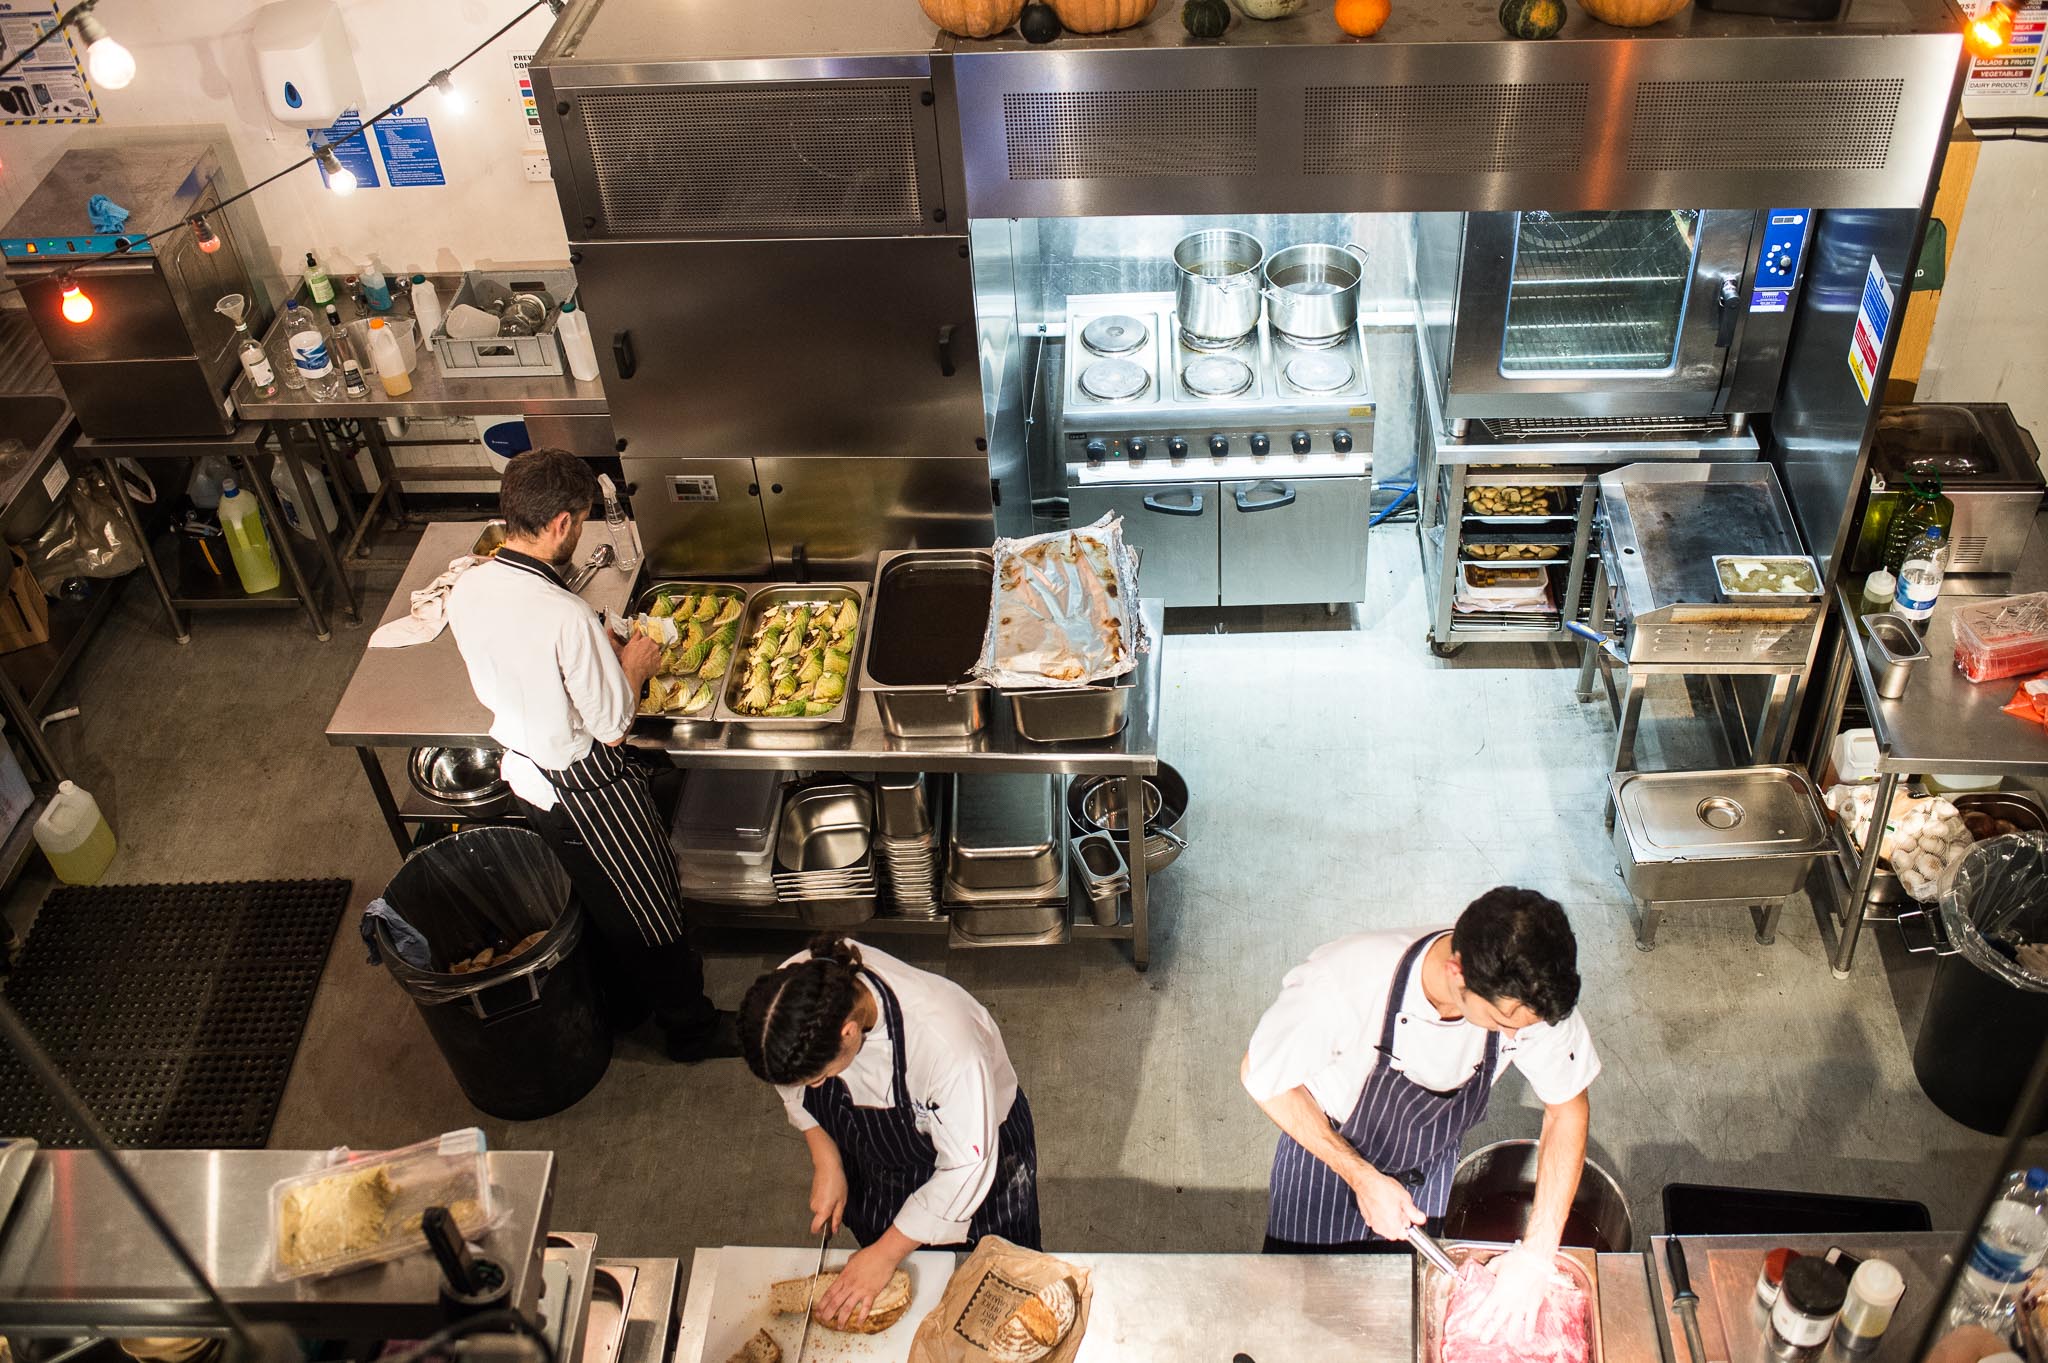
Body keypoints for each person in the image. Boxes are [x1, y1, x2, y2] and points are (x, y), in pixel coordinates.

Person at [446, 447, 736, 1062]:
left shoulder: (469, 586)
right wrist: (631, 665)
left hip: (523, 772)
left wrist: (596, 659)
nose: (579, 533)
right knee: (649, 909)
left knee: (593, 899)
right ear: (561, 526)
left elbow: (527, 665)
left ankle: (626, 1006)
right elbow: (612, 725)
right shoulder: (565, 614)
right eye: (579, 522)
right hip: (588, 787)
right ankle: (691, 1028)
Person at [1242, 887, 1598, 1340]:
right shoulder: (1344, 983)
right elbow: (1261, 1076)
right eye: (1506, 1025)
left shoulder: (1530, 993)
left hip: (1426, 1165)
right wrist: (1361, 1177)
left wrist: (1538, 1252)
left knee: (1401, 1325)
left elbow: (1567, 1107)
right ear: (1458, 973)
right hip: (1325, 1155)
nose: (1517, 1036)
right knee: (1297, 1322)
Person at [741, 935, 1039, 1328]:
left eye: (820, 1077)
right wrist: (825, 1155)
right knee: (909, 1295)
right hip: (878, 1155)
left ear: (848, 1032)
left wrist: (884, 1254)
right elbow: (792, 1084)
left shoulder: (944, 1044)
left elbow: (966, 1168)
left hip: (977, 1160)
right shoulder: (793, 994)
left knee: (1001, 1288)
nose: (815, 1087)